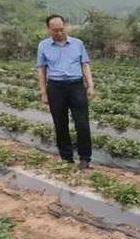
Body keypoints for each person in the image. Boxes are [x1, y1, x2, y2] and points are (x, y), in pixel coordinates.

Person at [36, 14, 96, 170]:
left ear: (66, 27)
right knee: (60, 124)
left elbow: (85, 65)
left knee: (82, 123)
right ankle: (67, 159)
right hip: (55, 88)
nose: (59, 33)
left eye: (61, 29)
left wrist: (90, 85)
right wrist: (43, 92)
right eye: (55, 30)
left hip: (76, 86)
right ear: (49, 29)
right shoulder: (43, 46)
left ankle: (85, 158)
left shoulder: (78, 44)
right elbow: (42, 69)